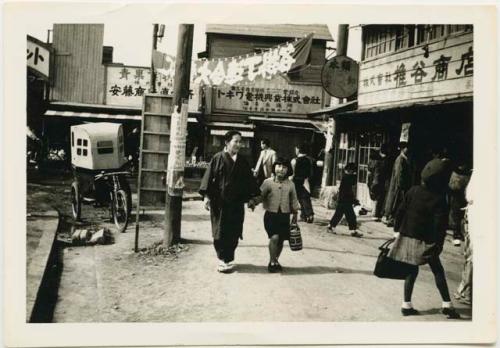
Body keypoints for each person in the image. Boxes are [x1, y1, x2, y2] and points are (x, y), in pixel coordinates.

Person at [388, 159, 461, 319]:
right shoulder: (439, 199)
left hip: (407, 236)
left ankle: (406, 304)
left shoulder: (413, 190)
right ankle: (447, 305)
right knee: (437, 270)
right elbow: (439, 227)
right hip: (427, 241)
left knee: (411, 271)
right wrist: (438, 245)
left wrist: (396, 232)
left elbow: (400, 212)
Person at [199, 130, 260, 274]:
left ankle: (229, 258)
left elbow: (249, 182)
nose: (239, 144)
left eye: (240, 142)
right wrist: (207, 197)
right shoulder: (218, 158)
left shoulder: (243, 161)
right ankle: (221, 259)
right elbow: (208, 179)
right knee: (219, 232)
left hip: (236, 203)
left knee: (234, 231)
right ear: (227, 142)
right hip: (219, 202)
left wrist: (252, 198)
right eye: (236, 141)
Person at [250, 158, 299, 273]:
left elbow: (294, 201)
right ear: (274, 167)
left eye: (284, 167)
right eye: (278, 166)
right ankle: (272, 262)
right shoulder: (268, 182)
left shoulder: (291, 184)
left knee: (281, 239)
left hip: (284, 216)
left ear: (288, 170)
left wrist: (295, 214)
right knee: (274, 237)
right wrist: (253, 202)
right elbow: (260, 196)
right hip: (271, 215)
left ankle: (275, 260)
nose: (281, 169)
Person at [327, 163, 363, 237]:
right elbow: (350, 188)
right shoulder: (347, 178)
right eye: (353, 171)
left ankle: (331, 226)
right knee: (350, 216)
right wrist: (354, 200)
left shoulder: (345, 177)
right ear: (350, 171)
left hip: (343, 200)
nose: (354, 173)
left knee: (340, 215)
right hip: (345, 200)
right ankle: (353, 231)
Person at [454, 170, 474, 305]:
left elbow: (470, 195)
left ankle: (465, 290)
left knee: (471, 257)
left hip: (475, 218)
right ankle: (467, 291)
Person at [384, 142, 411, 227]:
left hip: (401, 184)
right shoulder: (400, 159)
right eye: (406, 148)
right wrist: (400, 185)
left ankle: (394, 219)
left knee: (397, 202)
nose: (408, 150)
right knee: (396, 202)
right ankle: (391, 219)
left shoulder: (404, 159)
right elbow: (399, 173)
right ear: (403, 149)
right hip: (398, 185)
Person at [448, 161, 471, 246]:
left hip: (460, 180)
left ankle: (458, 232)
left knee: (457, 210)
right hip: (459, 181)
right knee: (457, 210)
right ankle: (457, 233)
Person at [290, 143, 315, 223]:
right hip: (308, 180)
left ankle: (307, 214)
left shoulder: (295, 160)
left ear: (298, 149)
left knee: (301, 198)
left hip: (298, 181)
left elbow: (293, 173)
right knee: (305, 198)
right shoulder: (311, 160)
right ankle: (306, 215)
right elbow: (312, 172)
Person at [367, 144, 390, 221]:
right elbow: (378, 173)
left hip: (372, 180)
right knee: (379, 198)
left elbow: (370, 171)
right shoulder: (382, 161)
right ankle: (376, 214)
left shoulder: (372, 161)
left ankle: (375, 213)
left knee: (375, 197)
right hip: (378, 181)